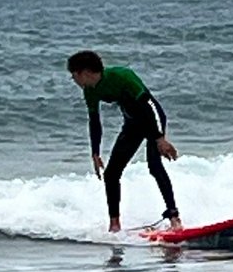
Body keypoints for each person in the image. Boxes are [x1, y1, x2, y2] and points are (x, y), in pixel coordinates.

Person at [67, 50, 183, 232]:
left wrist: (159, 137)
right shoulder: (90, 90)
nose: (74, 81)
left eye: (74, 76)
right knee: (111, 174)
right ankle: (115, 225)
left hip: (152, 120)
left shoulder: (122, 76)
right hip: (132, 125)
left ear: (84, 72)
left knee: (154, 166)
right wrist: (95, 152)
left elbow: (150, 106)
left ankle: (174, 218)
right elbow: (95, 121)